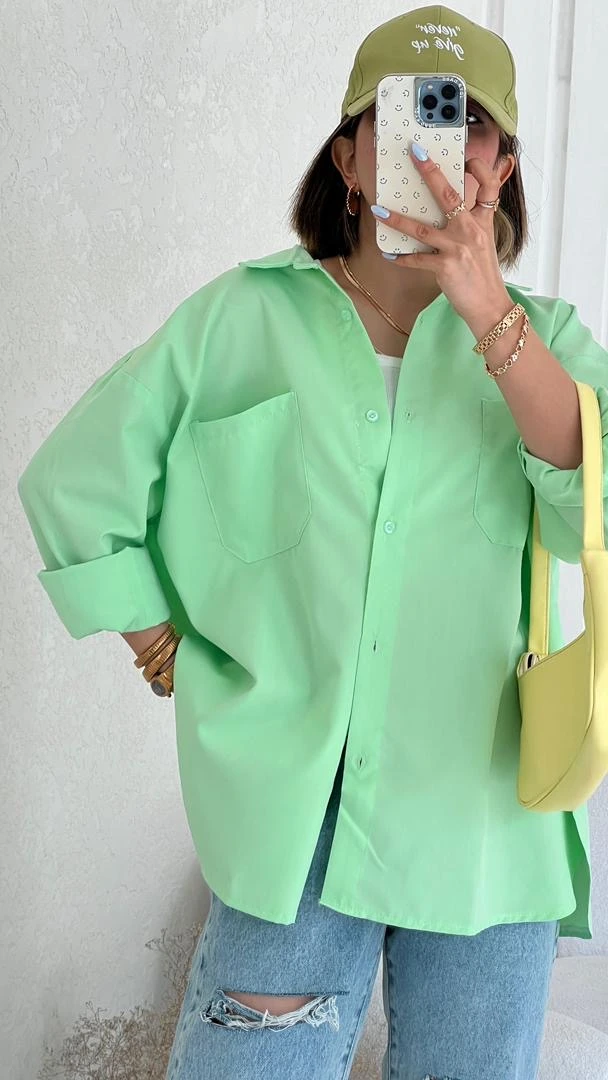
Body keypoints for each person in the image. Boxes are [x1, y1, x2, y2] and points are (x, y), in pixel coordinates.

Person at [17, 6, 608, 1079]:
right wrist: (160, 646)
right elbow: (75, 484)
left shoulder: (550, 343)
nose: (438, 148)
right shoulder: (237, 321)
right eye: (408, 117)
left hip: (484, 818)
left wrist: (488, 315)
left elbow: (589, 513)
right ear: (349, 154)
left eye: (469, 126)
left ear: (502, 167)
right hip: (295, 817)